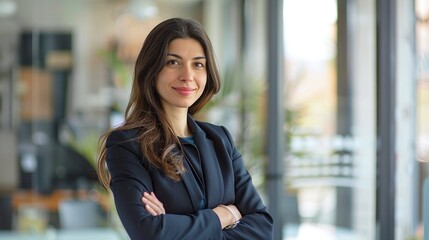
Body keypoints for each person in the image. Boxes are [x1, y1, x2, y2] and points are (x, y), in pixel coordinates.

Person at [97, 17, 273, 240]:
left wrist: (177, 228)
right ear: (152, 70)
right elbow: (149, 233)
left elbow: (263, 228)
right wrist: (224, 216)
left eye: (198, 64)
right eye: (173, 62)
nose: (187, 76)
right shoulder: (128, 145)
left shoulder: (220, 140)